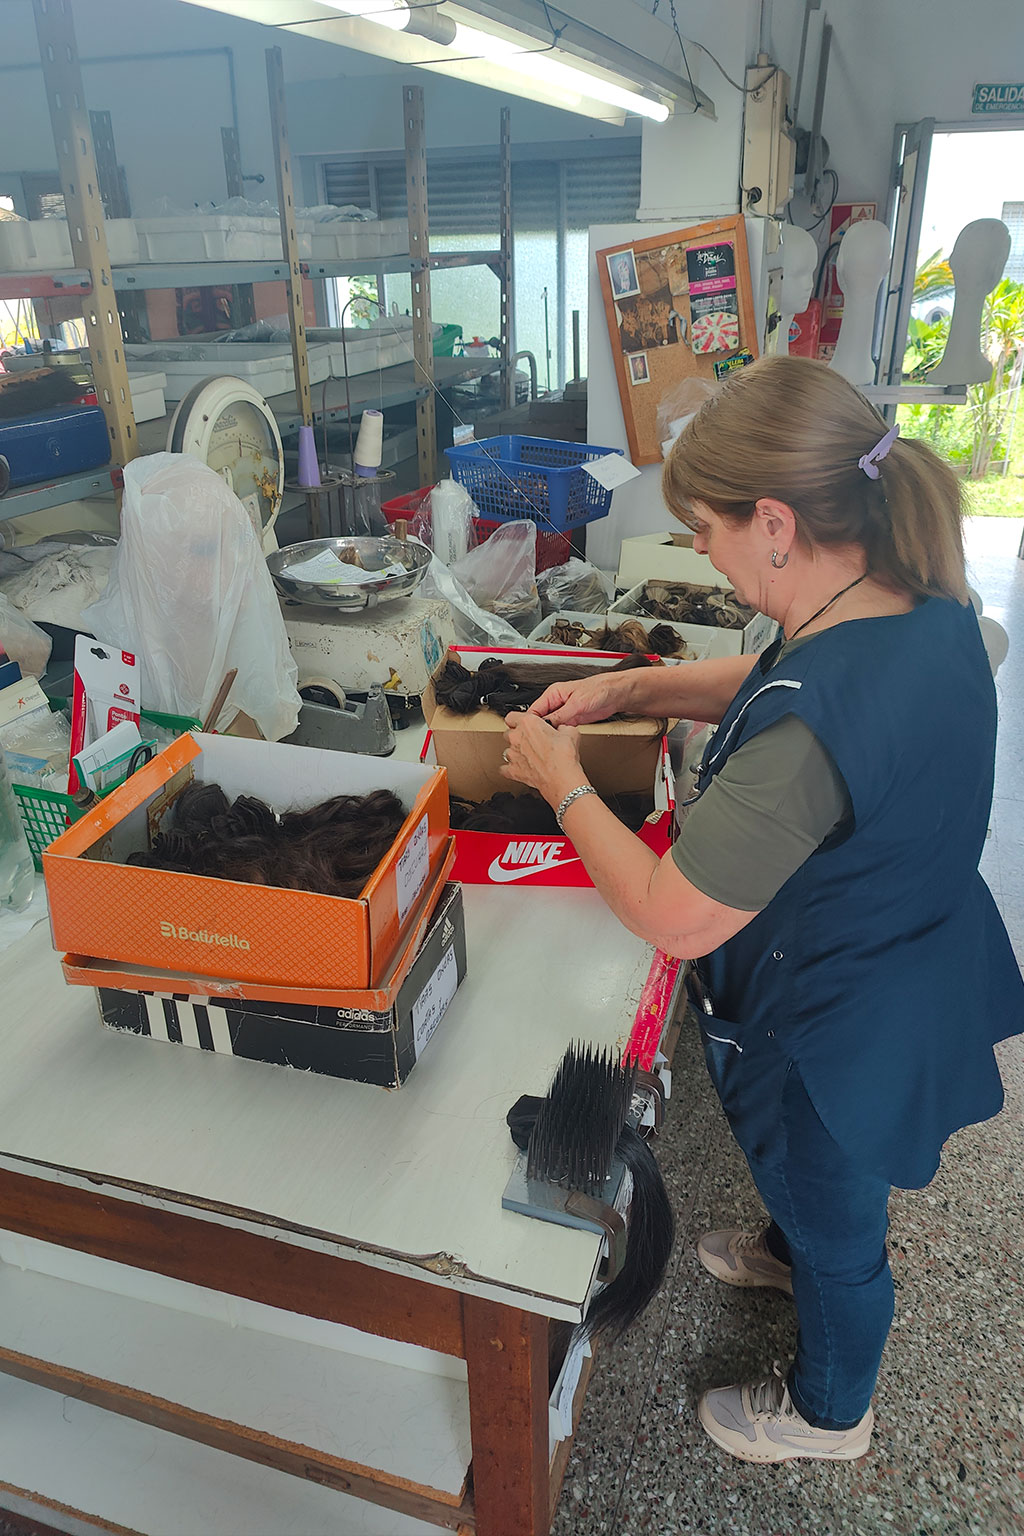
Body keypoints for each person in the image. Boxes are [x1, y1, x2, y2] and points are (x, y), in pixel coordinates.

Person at [500, 355, 1024, 1464]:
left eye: (704, 528)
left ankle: (832, 1413)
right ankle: (791, 1244)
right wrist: (631, 688)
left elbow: (670, 917)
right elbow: (786, 678)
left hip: (840, 1022)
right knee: (811, 1192)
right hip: (906, 948)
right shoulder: (912, 601)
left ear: (775, 524)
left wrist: (563, 779)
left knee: (841, 1230)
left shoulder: (804, 741)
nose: (699, 548)